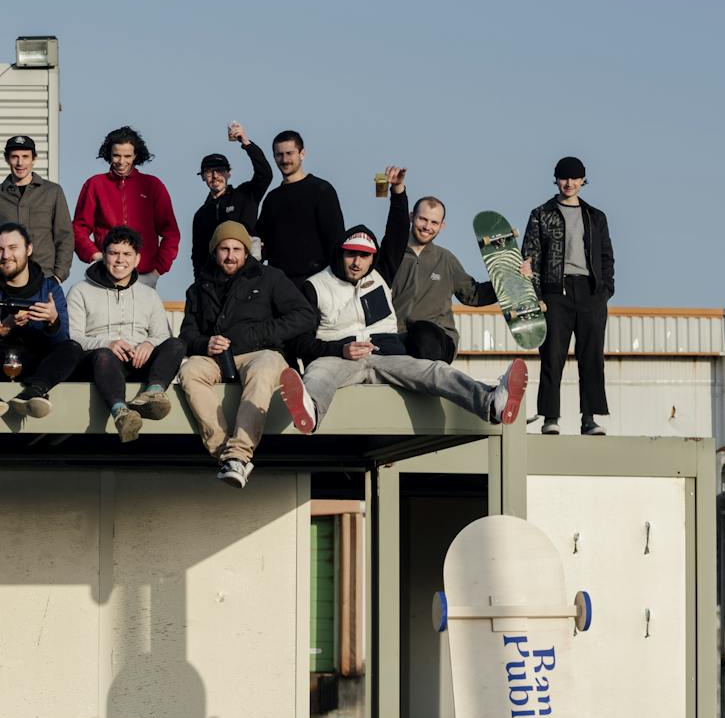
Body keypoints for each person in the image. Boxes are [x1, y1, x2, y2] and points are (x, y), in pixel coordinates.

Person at [281, 226, 528, 435]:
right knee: (318, 372)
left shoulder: (381, 276)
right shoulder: (315, 286)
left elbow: (396, 231)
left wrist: (398, 191)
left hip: (386, 355)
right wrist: (341, 350)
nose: (357, 263)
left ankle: (491, 403)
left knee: (436, 370)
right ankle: (310, 411)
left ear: (373, 259)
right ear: (340, 253)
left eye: (364, 256)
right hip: (339, 357)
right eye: (351, 255)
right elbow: (299, 342)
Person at [176, 222, 316, 487]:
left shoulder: (271, 277)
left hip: (262, 353)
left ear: (246, 251)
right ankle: (226, 454)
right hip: (216, 360)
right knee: (189, 370)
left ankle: (239, 453)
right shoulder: (197, 289)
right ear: (214, 252)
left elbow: (304, 316)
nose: (231, 255)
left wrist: (256, 336)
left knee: (264, 366)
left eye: (237, 249)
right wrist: (205, 344)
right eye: (224, 249)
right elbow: (187, 336)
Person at [523, 156, 615, 435]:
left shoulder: (596, 216)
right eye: (564, 178)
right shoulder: (541, 213)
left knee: (591, 357)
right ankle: (551, 418)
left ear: (583, 180)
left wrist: (605, 291)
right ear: (556, 180)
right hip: (554, 293)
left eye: (575, 178)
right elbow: (530, 258)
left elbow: (606, 257)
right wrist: (536, 295)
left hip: (590, 293)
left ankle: (589, 418)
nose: (569, 183)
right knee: (552, 355)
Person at [69, 226, 187, 441]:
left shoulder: (149, 295)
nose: (119, 260)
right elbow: (73, 337)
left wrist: (150, 343)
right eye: (113, 253)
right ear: (104, 256)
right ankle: (121, 413)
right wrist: (107, 343)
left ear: (137, 259)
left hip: (138, 361)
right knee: (104, 355)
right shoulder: (80, 291)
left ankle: (153, 393)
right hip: (101, 364)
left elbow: (162, 334)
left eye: (126, 254)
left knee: (176, 344)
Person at [376, 167, 498, 362]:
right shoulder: (391, 256)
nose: (427, 227)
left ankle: (484, 392)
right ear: (411, 217)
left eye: (434, 222)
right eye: (423, 219)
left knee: (423, 332)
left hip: (437, 340)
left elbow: (473, 294)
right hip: (397, 338)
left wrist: (507, 283)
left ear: (442, 226)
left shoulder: (446, 259)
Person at [0, 222, 80, 419]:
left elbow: (61, 340)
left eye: (13, 248)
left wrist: (53, 321)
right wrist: (4, 327)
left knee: (73, 347)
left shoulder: (50, 288)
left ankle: (34, 392)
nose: (6, 256)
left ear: (29, 249)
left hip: (34, 364)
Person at [71, 125, 179, 286]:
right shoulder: (95, 184)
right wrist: (94, 255)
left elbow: (171, 233)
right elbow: (79, 228)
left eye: (127, 156)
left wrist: (157, 270)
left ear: (136, 155)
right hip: (105, 274)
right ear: (109, 154)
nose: (121, 162)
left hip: (144, 277)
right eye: (116, 155)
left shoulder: (153, 185)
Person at [0, 134, 74, 286]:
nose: (20, 162)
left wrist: (58, 276)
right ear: (7, 159)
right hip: (3, 280)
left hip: (45, 278)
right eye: (14, 157)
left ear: (34, 159)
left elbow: (65, 237)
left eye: (25, 156)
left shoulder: (53, 192)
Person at [255, 130, 345, 283]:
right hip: (280, 285)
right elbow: (260, 243)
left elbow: (335, 240)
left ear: (302, 154)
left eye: (289, 153)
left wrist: (337, 280)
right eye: (279, 154)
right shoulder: (272, 198)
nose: (284, 159)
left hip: (316, 282)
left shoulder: (321, 190)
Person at [190, 122, 273, 282]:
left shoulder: (245, 195)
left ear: (229, 173)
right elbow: (198, 255)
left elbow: (265, 175)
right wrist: (199, 284)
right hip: (216, 279)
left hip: (249, 275)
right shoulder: (201, 214)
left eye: (220, 170)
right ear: (202, 177)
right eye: (209, 172)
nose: (215, 176)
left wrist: (246, 143)